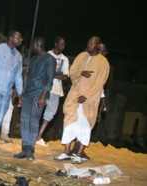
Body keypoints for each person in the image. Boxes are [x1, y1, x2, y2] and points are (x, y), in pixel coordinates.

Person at [54, 36, 109, 164]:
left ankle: (79, 154)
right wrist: (81, 73)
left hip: (89, 100)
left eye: (92, 43)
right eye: (88, 42)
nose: (89, 44)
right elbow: (72, 72)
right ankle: (66, 151)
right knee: (68, 122)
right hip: (75, 95)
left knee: (84, 125)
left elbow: (100, 83)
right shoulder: (81, 56)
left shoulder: (103, 62)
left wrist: (87, 95)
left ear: (97, 45)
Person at [14, 37, 56, 160]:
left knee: (34, 122)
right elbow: (29, 77)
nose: (31, 47)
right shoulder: (33, 59)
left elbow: (49, 80)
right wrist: (22, 93)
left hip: (39, 94)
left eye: (32, 44)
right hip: (28, 94)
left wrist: (43, 96)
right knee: (24, 121)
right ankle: (24, 149)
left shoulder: (50, 59)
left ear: (37, 44)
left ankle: (31, 150)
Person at [36, 36, 69, 146]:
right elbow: (42, 71)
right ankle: (32, 135)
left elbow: (65, 76)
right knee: (37, 111)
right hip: (43, 88)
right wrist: (56, 74)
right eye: (60, 44)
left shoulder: (65, 59)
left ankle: (38, 137)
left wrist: (51, 73)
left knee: (50, 114)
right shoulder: (47, 55)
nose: (62, 47)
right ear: (55, 44)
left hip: (56, 90)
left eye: (64, 45)